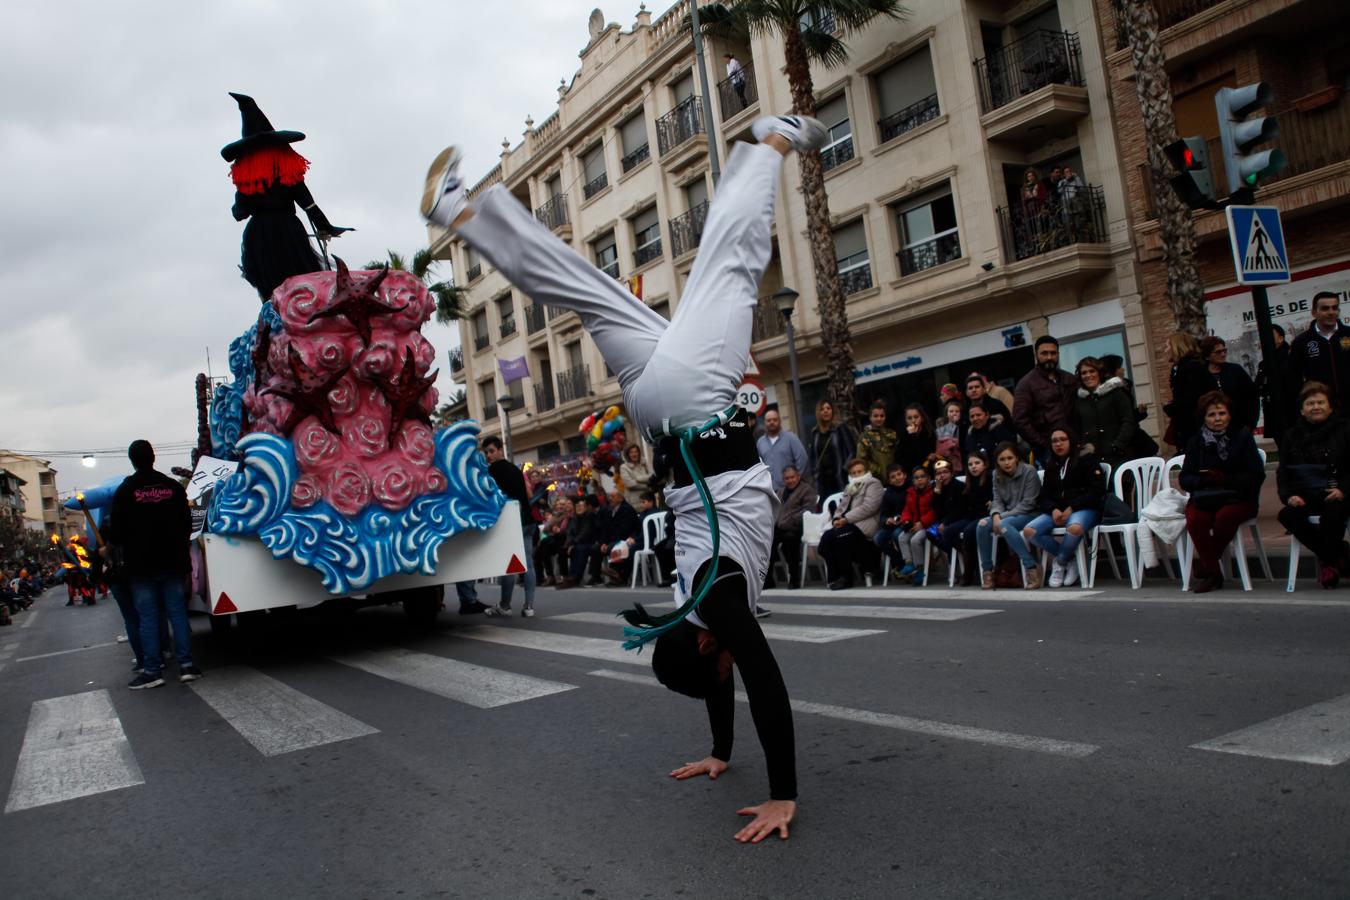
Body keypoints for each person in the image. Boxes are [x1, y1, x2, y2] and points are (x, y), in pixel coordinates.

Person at [423, 113, 827, 840]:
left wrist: (783, 795)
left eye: (716, 664)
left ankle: (773, 137)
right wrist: (717, 752)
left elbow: (760, 680)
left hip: (691, 401)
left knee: (730, 266)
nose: (726, 665)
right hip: (654, 408)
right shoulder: (690, 603)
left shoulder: (716, 602)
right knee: (580, 285)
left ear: (704, 646)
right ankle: (459, 212)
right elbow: (723, 675)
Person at [221, 93, 348, 301]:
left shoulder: (247, 177)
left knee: (269, 290)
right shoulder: (285, 169)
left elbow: (240, 213)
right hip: (288, 231)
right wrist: (325, 226)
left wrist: (244, 205)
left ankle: (274, 322)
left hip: (260, 234)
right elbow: (308, 204)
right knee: (300, 283)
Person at [108, 440, 201, 689]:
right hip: (173, 561)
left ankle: (152, 670)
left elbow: (115, 534)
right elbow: (187, 525)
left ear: (132, 460)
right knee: (177, 613)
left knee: (147, 617)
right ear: (153, 457)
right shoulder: (172, 487)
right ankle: (186, 665)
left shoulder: (125, 491)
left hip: (141, 567)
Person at [1178, 391, 1266, 593]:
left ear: (1229, 415)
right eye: (1211, 415)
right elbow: (1185, 478)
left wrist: (1225, 479)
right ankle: (1214, 574)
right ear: (1203, 417)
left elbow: (1256, 476)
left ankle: (1206, 567)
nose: (1217, 419)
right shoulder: (1196, 442)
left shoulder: (1242, 437)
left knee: (1226, 516)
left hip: (1239, 497)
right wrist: (1203, 479)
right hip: (1206, 496)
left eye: (1221, 413)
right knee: (1195, 519)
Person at [1277, 381, 1350, 588]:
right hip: (1306, 493)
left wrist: (1343, 490)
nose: (1315, 407)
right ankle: (1338, 554)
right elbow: (1284, 471)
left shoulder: (1345, 429)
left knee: (1333, 514)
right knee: (1287, 515)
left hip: (1339, 492)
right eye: (1310, 403)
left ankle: (1328, 564)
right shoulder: (1292, 436)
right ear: (1302, 409)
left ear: (1331, 406)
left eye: (1320, 402)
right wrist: (1289, 496)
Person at [1021, 428, 1105, 588]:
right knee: (1030, 531)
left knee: (1074, 528)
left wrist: (1073, 507)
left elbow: (1096, 491)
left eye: (1062, 439)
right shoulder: (1052, 463)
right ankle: (1070, 559)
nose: (1058, 444)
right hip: (1058, 510)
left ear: (1071, 441)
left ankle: (1059, 563)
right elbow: (1044, 494)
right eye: (1054, 441)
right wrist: (1053, 509)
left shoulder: (1086, 459)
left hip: (1085, 508)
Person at [479, 435, 537, 617]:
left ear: (499, 450)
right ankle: (529, 606)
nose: (488, 455)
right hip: (528, 519)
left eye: (491, 451)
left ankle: (505, 605)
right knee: (528, 563)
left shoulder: (492, 471)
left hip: (511, 521)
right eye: (486, 452)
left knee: (509, 564)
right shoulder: (515, 469)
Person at [975, 442, 1043, 590]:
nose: (1006, 462)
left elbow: (1028, 503)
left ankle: (1031, 567)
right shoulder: (995, 474)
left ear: (1017, 458)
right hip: (1007, 515)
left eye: (1009, 458)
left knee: (1004, 525)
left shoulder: (1029, 471)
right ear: (997, 462)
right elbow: (997, 500)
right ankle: (988, 571)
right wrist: (995, 514)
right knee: (982, 524)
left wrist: (1001, 517)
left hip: (1030, 514)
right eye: (1002, 459)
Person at [816, 458, 883, 590]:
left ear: (866, 471)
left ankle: (846, 578)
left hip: (864, 525)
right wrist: (836, 519)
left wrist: (845, 519)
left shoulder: (873, 484)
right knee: (826, 539)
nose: (857, 475)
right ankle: (834, 577)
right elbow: (841, 507)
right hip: (846, 524)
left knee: (841, 536)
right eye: (853, 473)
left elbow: (869, 507)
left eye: (860, 471)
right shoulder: (850, 486)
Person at [1013, 335, 1079, 465]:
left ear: (1058, 354)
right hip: (1048, 450)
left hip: (1074, 444)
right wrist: (1043, 444)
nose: (1049, 357)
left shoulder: (1069, 379)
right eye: (1044, 353)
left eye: (1053, 353)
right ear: (1036, 354)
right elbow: (1019, 420)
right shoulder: (1026, 383)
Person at [935, 451, 991, 586]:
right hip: (969, 516)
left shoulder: (988, 478)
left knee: (965, 532)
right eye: (970, 464)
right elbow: (937, 511)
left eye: (977, 463)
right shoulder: (969, 481)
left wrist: (993, 501)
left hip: (983, 516)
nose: (974, 466)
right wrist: (937, 491)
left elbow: (958, 510)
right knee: (937, 532)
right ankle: (963, 552)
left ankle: (969, 570)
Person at [1075, 356, 1139, 470]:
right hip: (1092, 458)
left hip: (1118, 456)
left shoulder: (1116, 393)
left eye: (1092, 371)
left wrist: (1118, 445)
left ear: (1099, 373)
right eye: (1084, 373)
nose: (1088, 375)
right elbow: (1078, 426)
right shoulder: (1080, 400)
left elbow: (1128, 421)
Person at [1290, 291, 1350, 404]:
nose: (1331, 312)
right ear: (1314, 312)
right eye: (1325, 308)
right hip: (1322, 409)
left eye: (1335, 308)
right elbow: (1294, 378)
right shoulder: (1301, 342)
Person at [1193, 336, 1259, 433]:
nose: (1223, 354)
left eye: (1224, 350)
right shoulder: (1200, 376)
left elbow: (1252, 396)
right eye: (1218, 352)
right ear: (1207, 356)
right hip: (1211, 430)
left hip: (1238, 426)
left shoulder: (1235, 370)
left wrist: (1250, 424)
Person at [765, 466, 816, 590]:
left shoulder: (806, 490)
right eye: (787, 478)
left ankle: (794, 579)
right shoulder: (781, 491)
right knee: (767, 542)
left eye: (792, 477)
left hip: (798, 526)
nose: (790, 480)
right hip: (780, 526)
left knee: (790, 542)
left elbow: (808, 510)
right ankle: (768, 580)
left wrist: (790, 520)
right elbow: (774, 509)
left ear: (798, 476)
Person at [892, 466, 937, 585]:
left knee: (915, 540)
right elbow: (907, 509)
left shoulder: (933, 491)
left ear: (929, 478)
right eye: (916, 478)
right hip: (914, 524)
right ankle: (909, 564)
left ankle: (919, 570)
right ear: (913, 480)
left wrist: (922, 523)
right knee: (902, 537)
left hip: (928, 525)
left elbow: (935, 510)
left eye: (923, 477)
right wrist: (906, 521)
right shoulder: (911, 492)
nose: (920, 480)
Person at [807, 398, 855, 504]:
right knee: (827, 508)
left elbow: (852, 450)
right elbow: (812, 456)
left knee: (844, 505)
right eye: (822, 409)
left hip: (839, 476)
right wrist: (814, 473)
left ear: (832, 411)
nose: (826, 411)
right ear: (818, 412)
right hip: (822, 480)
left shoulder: (840, 428)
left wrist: (844, 469)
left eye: (828, 408)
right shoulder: (815, 432)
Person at [1255, 324, 1297, 445]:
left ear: (1281, 338)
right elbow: (1259, 386)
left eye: (1270, 336)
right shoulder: (1264, 363)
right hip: (1273, 412)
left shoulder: (1291, 358)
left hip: (1291, 412)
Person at [1165, 332, 1208, 448]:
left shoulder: (1192, 367)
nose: (1166, 350)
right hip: (1187, 428)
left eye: (1168, 346)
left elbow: (1192, 399)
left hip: (1195, 428)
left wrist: (1172, 407)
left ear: (1177, 347)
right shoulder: (1178, 368)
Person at [755, 407, 808, 492]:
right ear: (765, 423)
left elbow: (802, 459)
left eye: (775, 420)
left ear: (780, 421)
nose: (772, 422)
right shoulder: (760, 442)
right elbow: (758, 465)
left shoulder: (791, 438)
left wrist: (796, 479)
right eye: (769, 420)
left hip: (789, 489)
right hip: (769, 490)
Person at [871, 464, 909, 581]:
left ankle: (908, 564)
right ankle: (899, 561)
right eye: (893, 477)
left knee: (897, 535)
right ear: (889, 481)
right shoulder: (888, 494)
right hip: (893, 523)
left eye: (899, 474)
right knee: (878, 538)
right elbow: (883, 514)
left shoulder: (911, 488)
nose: (897, 478)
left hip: (907, 522)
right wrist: (887, 520)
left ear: (905, 475)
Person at [598, 488, 643, 586]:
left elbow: (625, 530)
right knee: (596, 548)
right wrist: (604, 542)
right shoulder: (610, 510)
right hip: (616, 539)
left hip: (628, 538)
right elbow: (606, 529)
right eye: (610, 496)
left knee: (614, 546)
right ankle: (598, 576)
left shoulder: (627, 509)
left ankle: (619, 577)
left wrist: (610, 543)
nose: (610, 498)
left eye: (613, 496)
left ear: (620, 498)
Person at [557, 495, 599, 589]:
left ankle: (575, 577)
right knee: (563, 550)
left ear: (586, 507)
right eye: (577, 506)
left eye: (581, 506)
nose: (579, 508)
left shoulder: (589, 516)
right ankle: (565, 577)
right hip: (577, 542)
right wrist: (569, 544)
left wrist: (573, 543)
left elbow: (585, 533)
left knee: (579, 549)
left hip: (589, 542)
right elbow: (570, 533)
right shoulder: (576, 517)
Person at [535, 497, 573, 585]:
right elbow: (546, 529)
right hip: (555, 540)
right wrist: (553, 528)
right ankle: (541, 577)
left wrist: (557, 530)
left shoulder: (568, 516)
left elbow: (568, 532)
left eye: (563, 505)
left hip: (563, 541)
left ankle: (552, 576)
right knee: (538, 552)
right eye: (558, 504)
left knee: (546, 545)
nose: (560, 506)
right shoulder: (555, 516)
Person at [855, 400, 897, 479]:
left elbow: (897, 454)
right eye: (875, 416)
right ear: (870, 417)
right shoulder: (864, 437)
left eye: (882, 416)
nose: (879, 418)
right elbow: (861, 460)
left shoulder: (892, 434)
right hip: (875, 479)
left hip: (894, 477)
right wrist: (878, 471)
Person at [894, 403, 936, 474]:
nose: (913, 420)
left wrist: (913, 436)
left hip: (927, 471)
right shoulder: (904, 435)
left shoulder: (929, 434)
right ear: (906, 420)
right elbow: (903, 458)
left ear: (922, 418)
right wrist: (912, 435)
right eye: (909, 418)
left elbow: (923, 454)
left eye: (916, 417)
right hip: (911, 473)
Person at [935, 399, 965, 472]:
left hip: (963, 461)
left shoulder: (965, 427)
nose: (954, 413)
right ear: (946, 414)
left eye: (957, 411)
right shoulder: (940, 430)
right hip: (947, 461)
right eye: (951, 411)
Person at [619, 444, 653, 509]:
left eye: (636, 452)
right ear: (627, 455)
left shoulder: (644, 463)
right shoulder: (623, 467)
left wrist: (638, 479)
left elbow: (652, 476)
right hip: (634, 502)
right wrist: (648, 486)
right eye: (631, 452)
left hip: (649, 500)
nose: (634, 454)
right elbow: (630, 484)